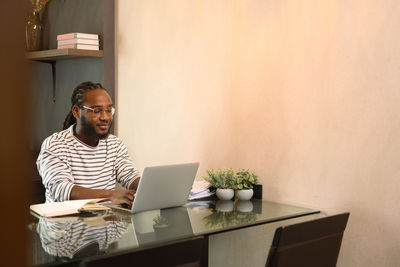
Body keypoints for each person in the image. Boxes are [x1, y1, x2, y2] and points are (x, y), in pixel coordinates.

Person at [37, 81, 140, 205]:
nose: (105, 117)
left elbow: (130, 176)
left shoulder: (115, 144)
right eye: (97, 110)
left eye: (109, 110)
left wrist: (148, 187)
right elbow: (62, 190)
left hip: (105, 222)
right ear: (76, 111)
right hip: (64, 223)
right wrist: (111, 195)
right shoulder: (55, 145)